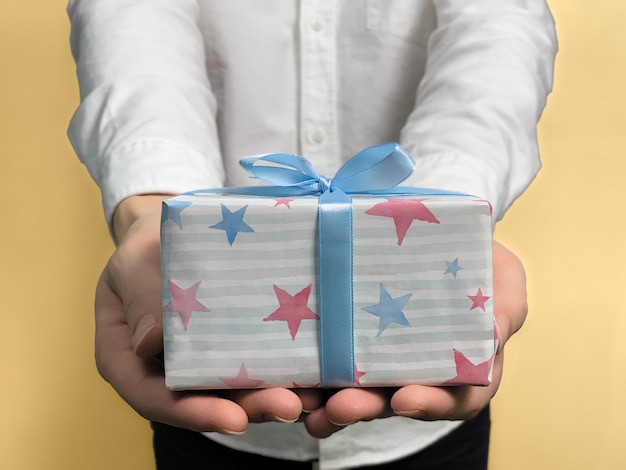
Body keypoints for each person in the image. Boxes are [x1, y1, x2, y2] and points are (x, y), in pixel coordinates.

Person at [67, 1, 557, 468]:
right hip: (208, 412)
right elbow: (133, 16)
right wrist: (148, 210)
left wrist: (444, 221)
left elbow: (500, 26)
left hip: (429, 422)